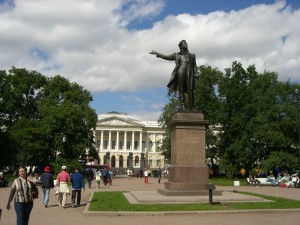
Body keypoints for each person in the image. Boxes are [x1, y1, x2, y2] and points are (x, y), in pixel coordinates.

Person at [150, 40, 199, 110]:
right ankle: (182, 105)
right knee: (181, 90)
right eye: (184, 43)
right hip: (180, 72)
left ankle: (192, 107)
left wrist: (196, 72)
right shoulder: (176, 55)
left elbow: (194, 66)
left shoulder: (192, 55)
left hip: (189, 73)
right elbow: (167, 57)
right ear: (180, 46)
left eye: (186, 43)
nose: (186, 44)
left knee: (190, 90)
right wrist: (157, 53)